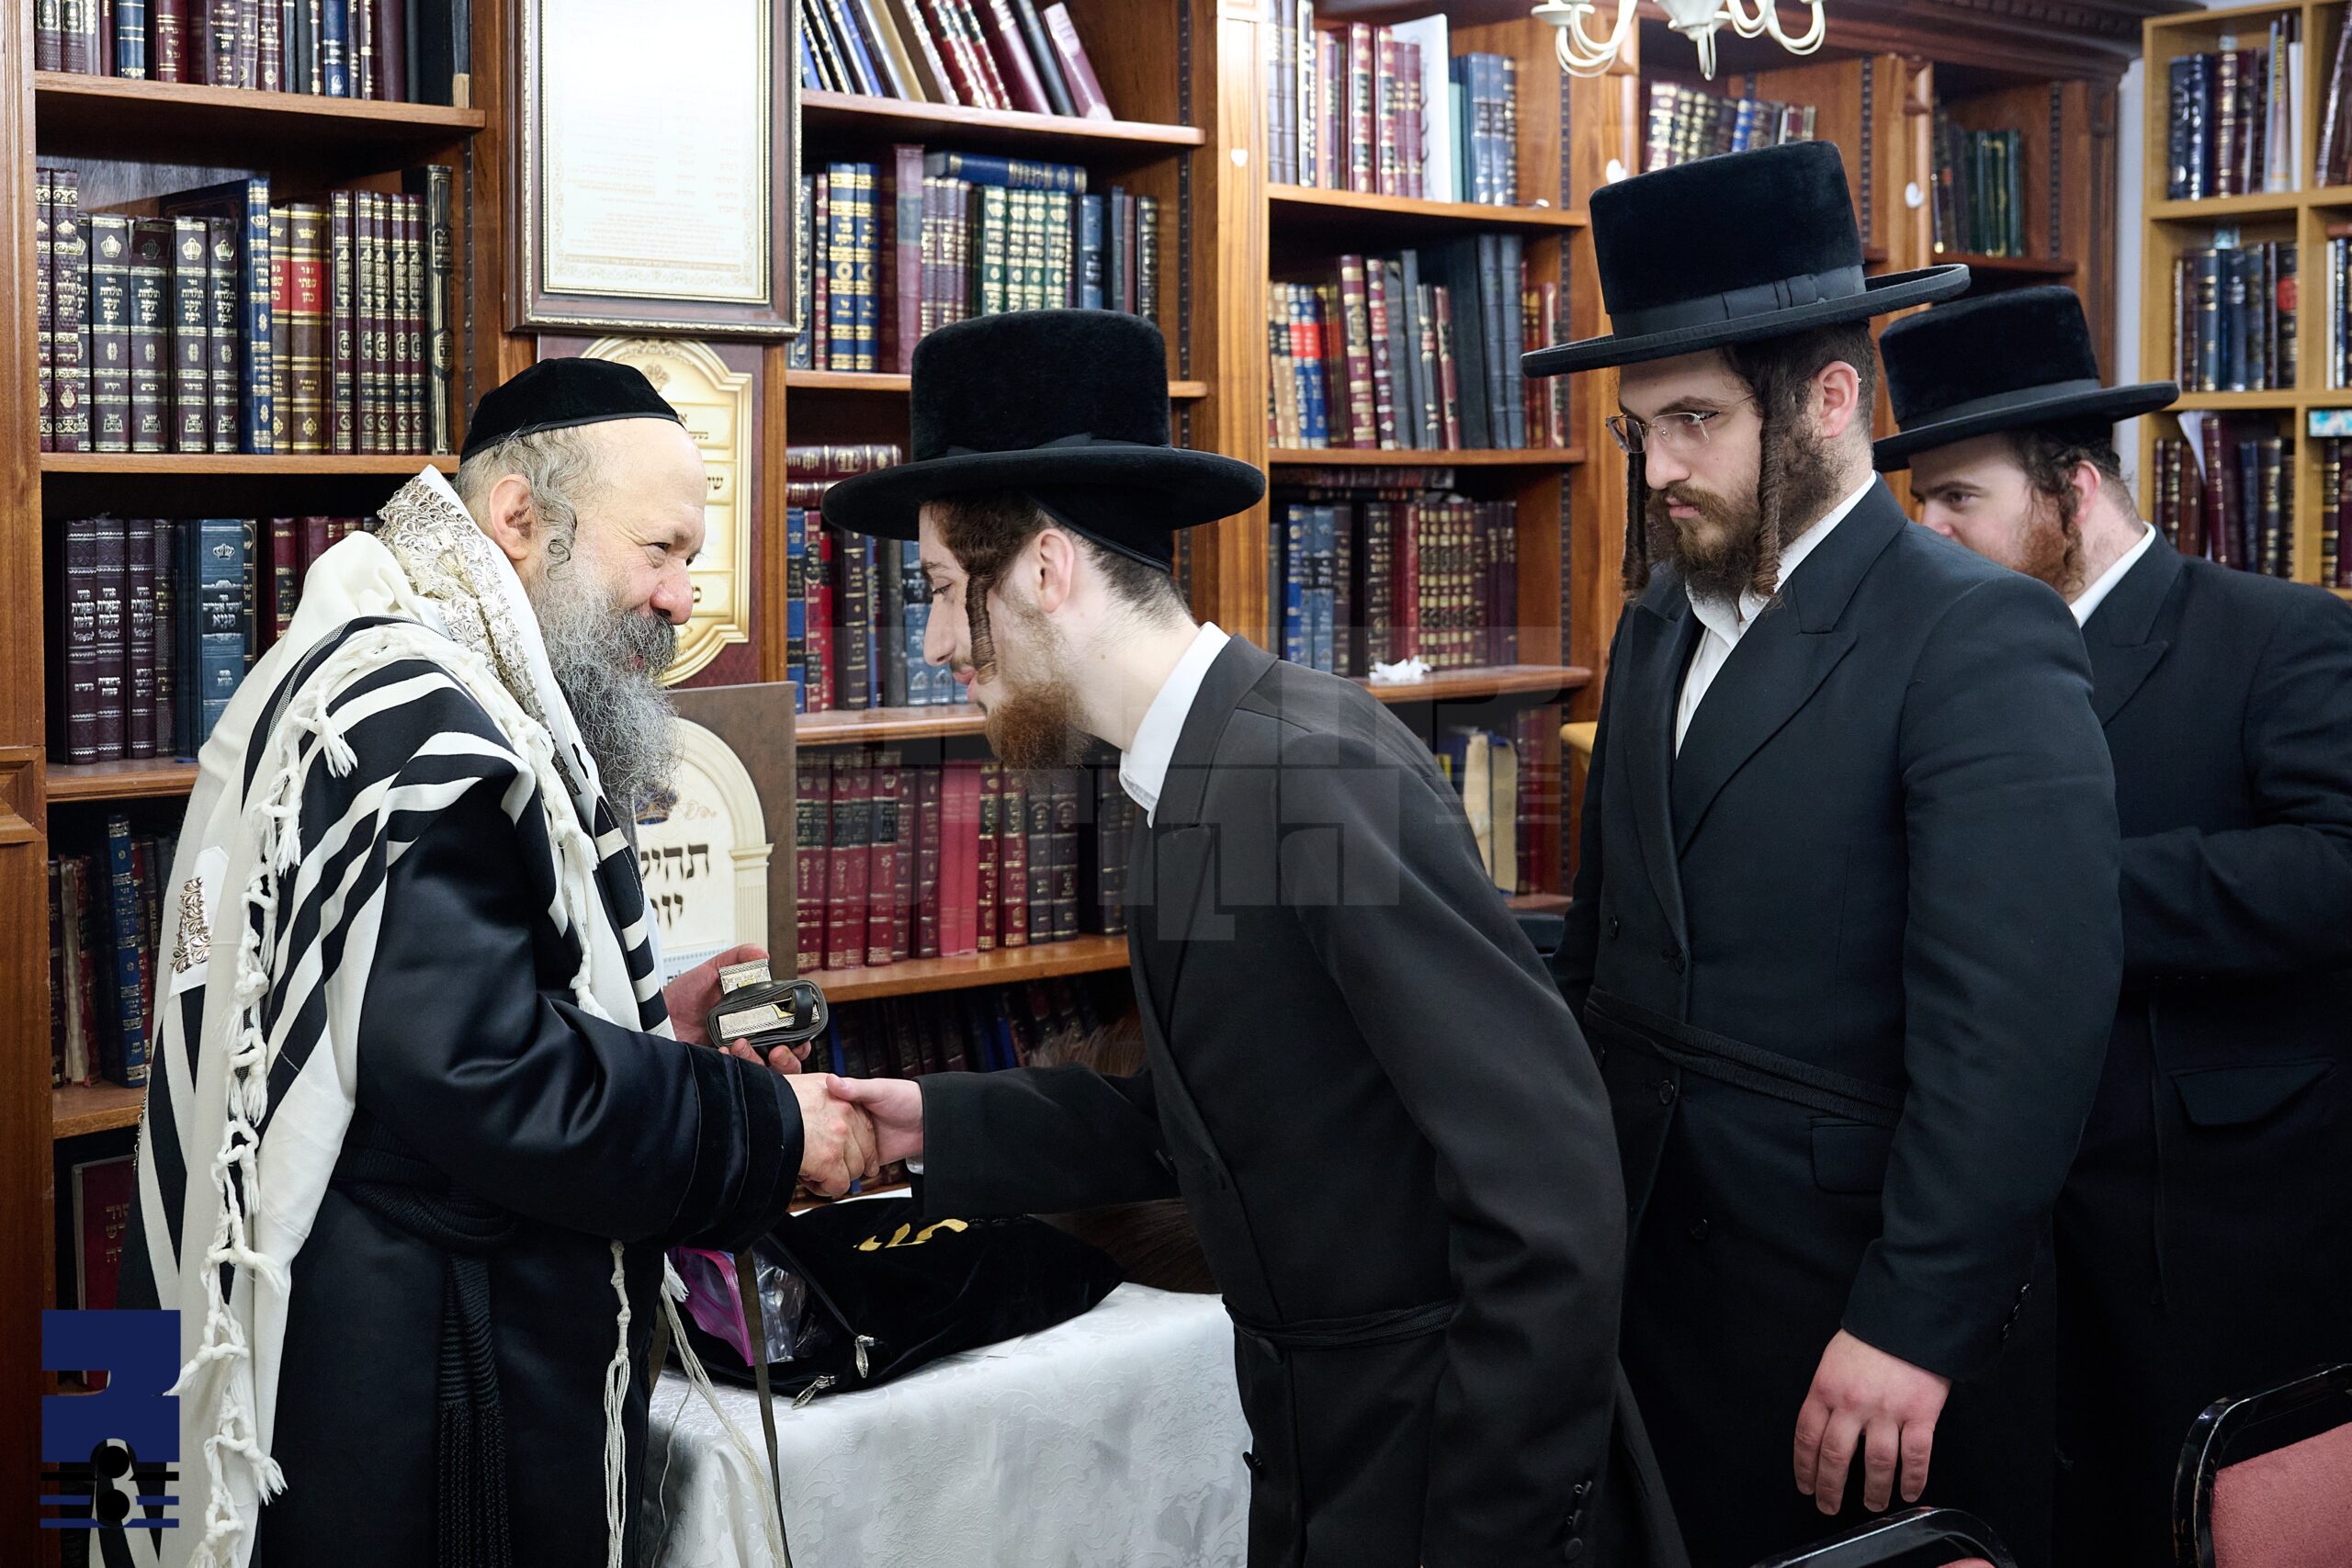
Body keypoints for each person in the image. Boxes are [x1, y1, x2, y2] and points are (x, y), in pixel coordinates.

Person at [819, 309, 1681, 1568]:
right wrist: (931, 1126)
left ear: (1047, 569)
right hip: (1330, 1457)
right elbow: (1220, 1121)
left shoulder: (1305, 774)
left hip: (1442, 1476)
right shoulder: (1198, 767)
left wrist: (1484, 1531)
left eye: (948, 591)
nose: (939, 641)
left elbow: (1548, 1195)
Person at [118, 357, 876, 1568]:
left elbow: (421, 1020)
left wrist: (655, 1024)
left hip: (374, 1336)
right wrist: (768, 1131)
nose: (683, 599)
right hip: (405, 1394)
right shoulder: (424, 721)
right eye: (661, 551)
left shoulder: (384, 665)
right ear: (520, 518)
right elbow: (485, 1078)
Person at [1521, 141, 2121, 1568]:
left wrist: (1913, 1320)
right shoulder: (1659, 619)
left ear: (1830, 400)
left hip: (1851, 1317)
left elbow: (2019, 1034)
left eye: (1694, 421)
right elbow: (1607, 956)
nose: (1658, 469)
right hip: (1646, 1286)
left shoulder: (1977, 632)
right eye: (1638, 430)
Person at [1878, 284, 2352, 1568]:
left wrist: (2044, 900)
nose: (1929, 530)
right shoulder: (1932, 667)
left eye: (1959, 497)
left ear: (2074, 488)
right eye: (1919, 500)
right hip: (2007, 1240)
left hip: (2215, 1245)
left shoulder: (2278, 638)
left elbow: (2336, 866)